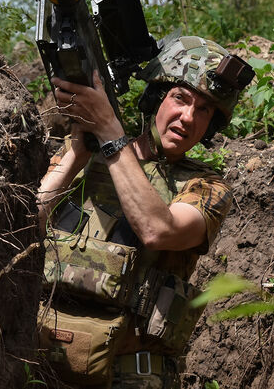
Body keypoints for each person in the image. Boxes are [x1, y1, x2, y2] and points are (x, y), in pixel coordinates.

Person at [36, 36, 253, 389]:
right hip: (46, 355)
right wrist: (78, 149)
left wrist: (109, 133)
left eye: (204, 111)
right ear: (156, 99)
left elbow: (157, 230)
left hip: (133, 373)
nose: (188, 117)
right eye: (180, 99)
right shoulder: (87, 155)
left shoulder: (207, 188)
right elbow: (27, 226)